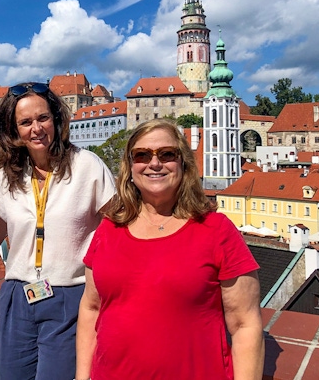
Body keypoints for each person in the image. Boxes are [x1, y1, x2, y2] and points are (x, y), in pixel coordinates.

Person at [76, 119, 265, 380]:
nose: (154, 163)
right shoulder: (109, 228)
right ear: (130, 168)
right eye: (142, 155)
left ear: (183, 165)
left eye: (167, 154)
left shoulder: (217, 230)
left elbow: (246, 326)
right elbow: (91, 308)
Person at [0, 82, 116, 380]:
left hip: (71, 294)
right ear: (13, 132)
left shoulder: (87, 166)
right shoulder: (7, 176)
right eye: (25, 122)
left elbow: (118, 226)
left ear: (57, 120)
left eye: (43, 118)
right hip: (16, 295)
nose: (36, 128)